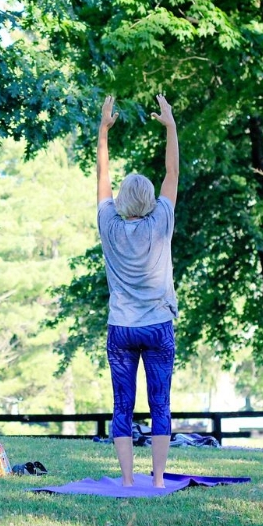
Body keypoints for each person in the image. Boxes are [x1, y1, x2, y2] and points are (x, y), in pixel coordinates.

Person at [96, 94, 179, 488]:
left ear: (122, 202)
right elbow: (171, 173)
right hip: (159, 325)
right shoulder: (161, 221)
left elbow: (101, 181)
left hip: (122, 328)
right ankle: (159, 480)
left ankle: (128, 481)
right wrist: (170, 127)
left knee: (122, 406)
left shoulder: (109, 226)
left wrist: (103, 132)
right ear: (149, 201)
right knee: (159, 404)